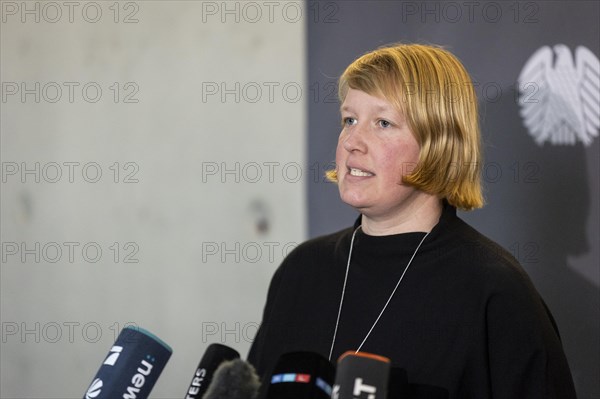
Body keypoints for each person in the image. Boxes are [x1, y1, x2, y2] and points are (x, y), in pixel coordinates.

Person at [248, 44, 577, 398]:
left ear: (439, 142)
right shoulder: (302, 269)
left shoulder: (494, 291)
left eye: (383, 122)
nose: (352, 142)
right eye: (349, 120)